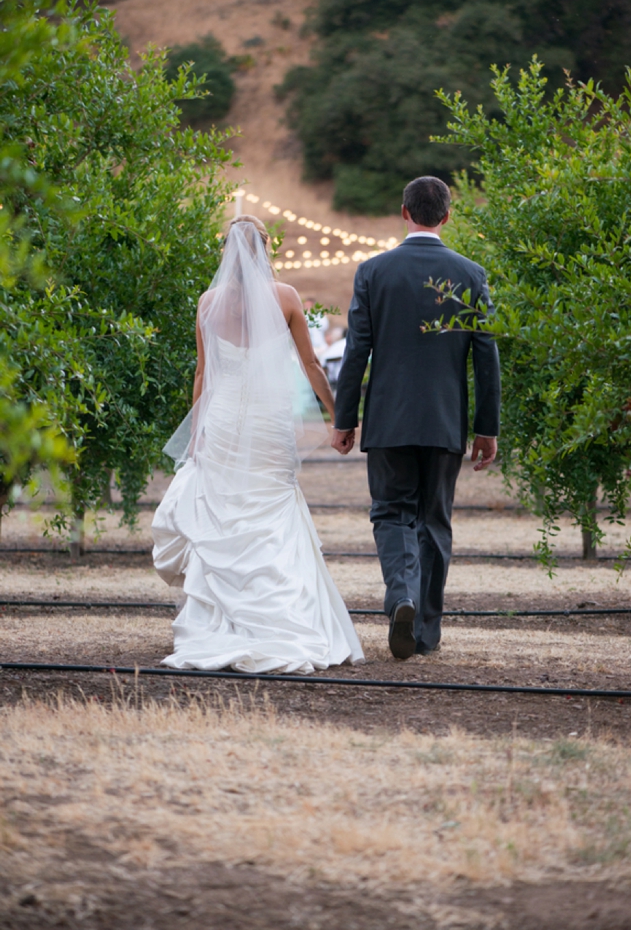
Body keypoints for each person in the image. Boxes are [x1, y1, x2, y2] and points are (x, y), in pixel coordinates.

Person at [152, 215, 364, 674]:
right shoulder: (284, 297)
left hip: (224, 420)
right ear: (265, 250)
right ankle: (283, 618)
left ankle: (222, 618)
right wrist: (338, 415)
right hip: (268, 421)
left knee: (225, 513)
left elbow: (202, 375)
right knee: (272, 512)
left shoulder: (207, 302)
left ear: (226, 252)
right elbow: (310, 365)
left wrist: (198, 430)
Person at [332, 177, 500, 660]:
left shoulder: (373, 271)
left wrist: (345, 419)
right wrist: (486, 427)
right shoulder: (472, 274)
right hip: (446, 421)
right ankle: (424, 632)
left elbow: (356, 349)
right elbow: (486, 357)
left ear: (403, 212)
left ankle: (401, 596)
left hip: (388, 419)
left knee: (391, 512)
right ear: (447, 216)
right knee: (434, 521)